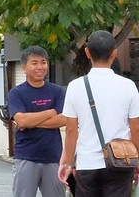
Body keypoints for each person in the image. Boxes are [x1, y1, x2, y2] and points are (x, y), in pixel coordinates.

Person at [59, 30, 139, 196]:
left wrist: (67, 164)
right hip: (120, 161)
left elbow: (71, 131)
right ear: (114, 53)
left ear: (87, 53)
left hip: (87, 164)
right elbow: (136, 129)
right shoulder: (128, 86)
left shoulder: (75, 86)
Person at [7, 46, 67, 197]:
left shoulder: (57, 91)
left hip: (53, 157)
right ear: (24, 67)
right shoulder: (16, 93)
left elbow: (64, 119)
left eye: (43, 62)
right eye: (34, 63)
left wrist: (31, 121)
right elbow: (21, 121)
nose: (40, 67)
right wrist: (50, 112)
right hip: (26, 156)